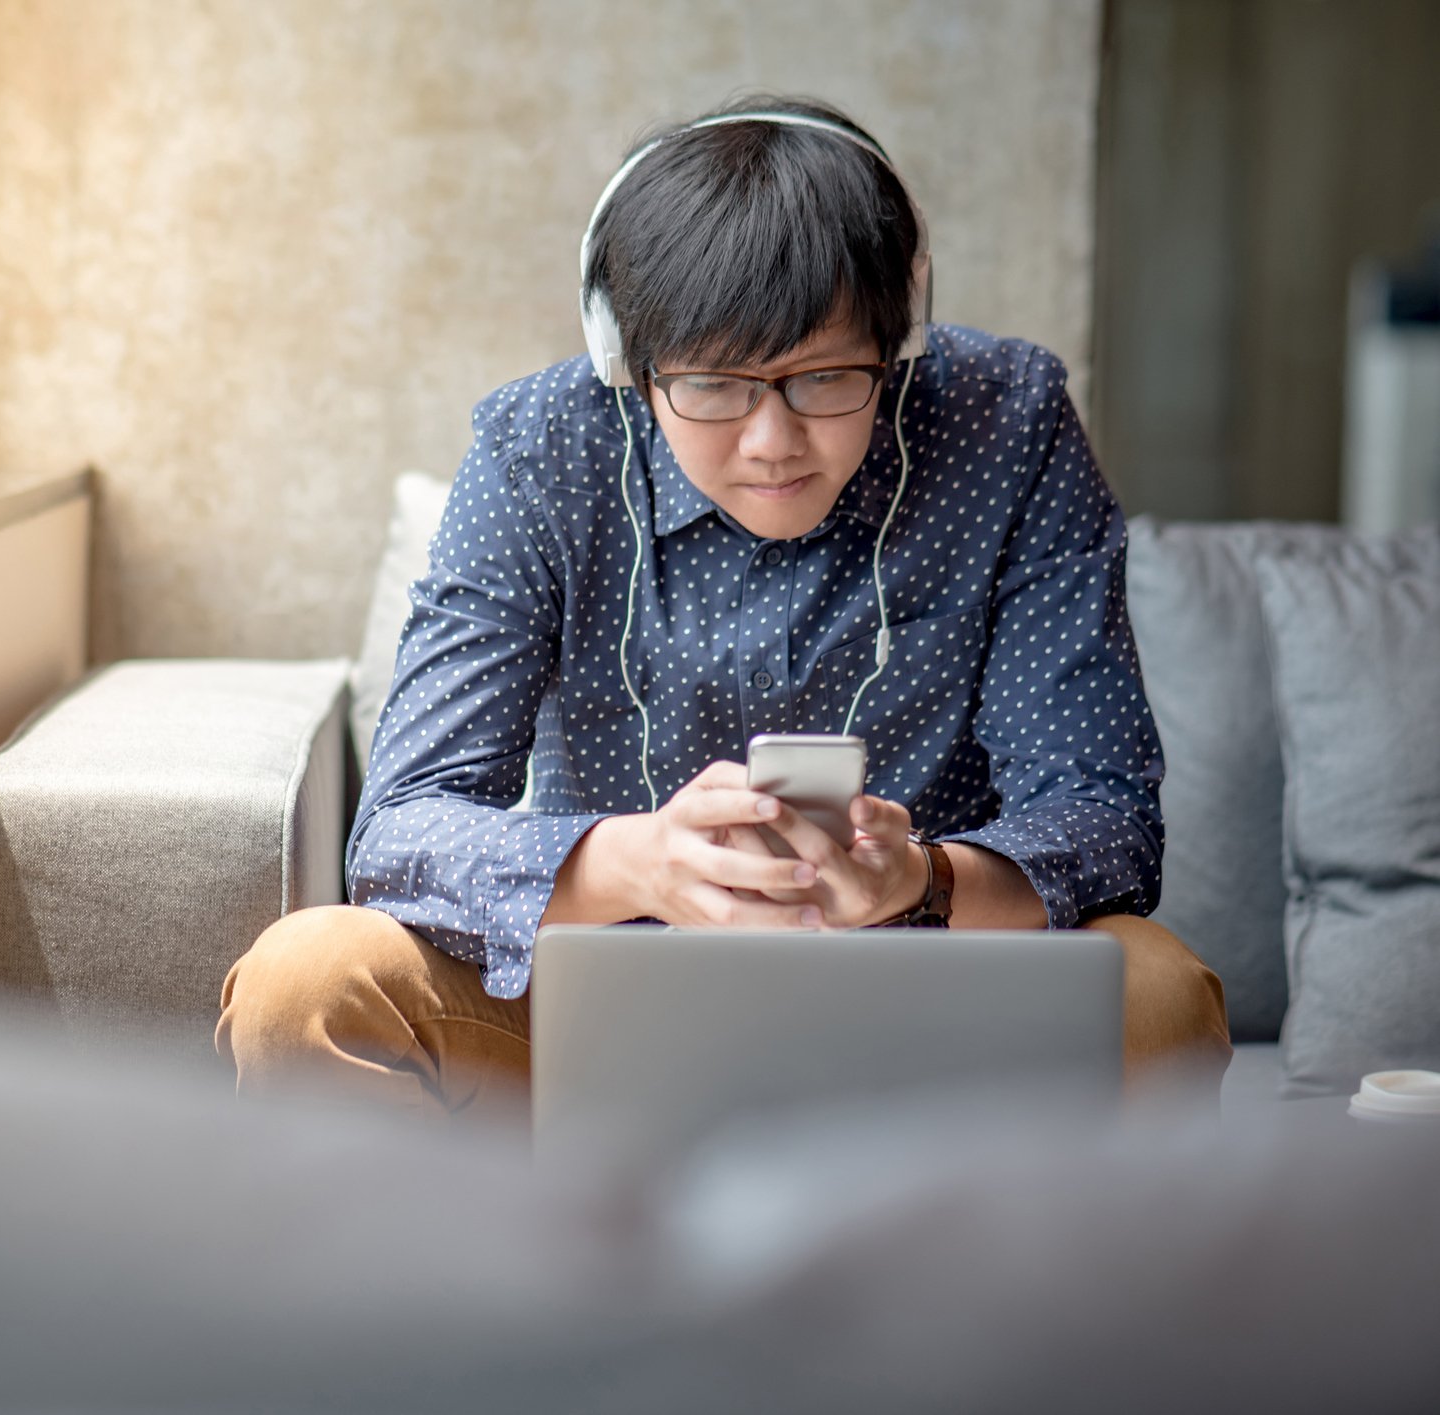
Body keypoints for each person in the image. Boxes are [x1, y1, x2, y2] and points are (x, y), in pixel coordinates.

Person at [217, 93, 1229, 1120]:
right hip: (590, 1008)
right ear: (627, 358)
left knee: (1154, 989)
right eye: (711, 383)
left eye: (826, 375)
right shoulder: (540, 446)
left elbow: (1104, 819)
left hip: (932, 1006)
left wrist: (919, 879)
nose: (770, 441)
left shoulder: (1005, 418)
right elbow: (399, 830)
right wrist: (640, 863)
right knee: (309, 976)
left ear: (902, 335)